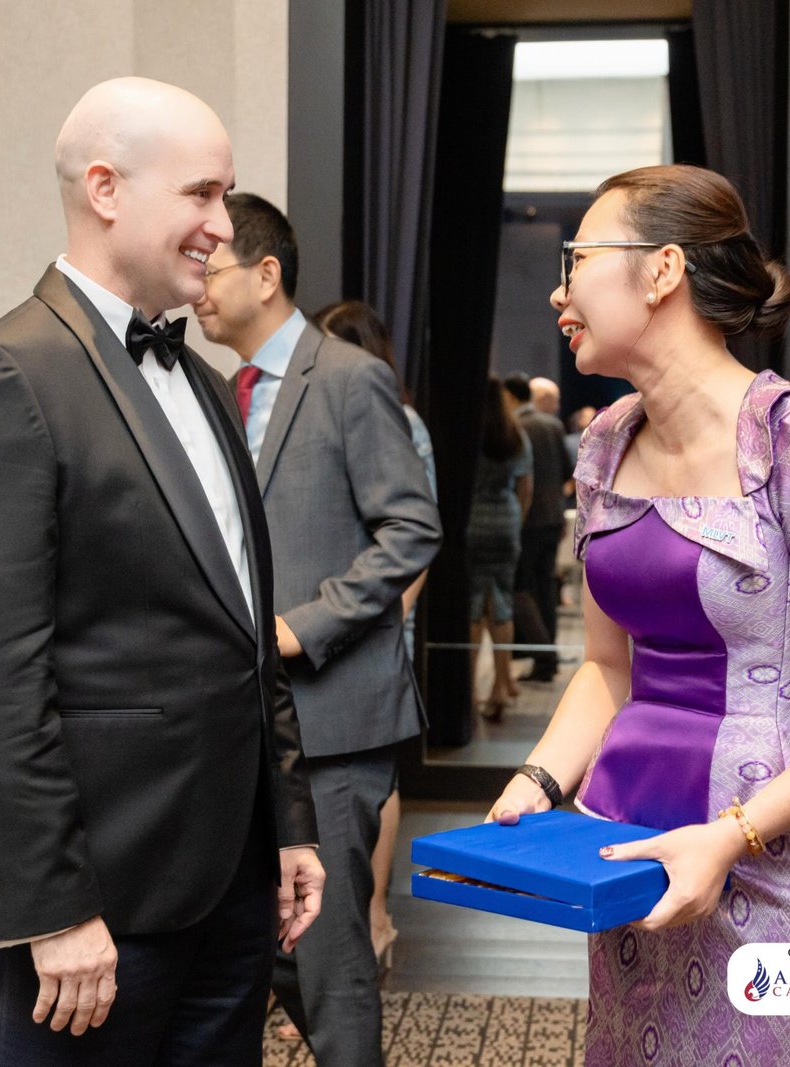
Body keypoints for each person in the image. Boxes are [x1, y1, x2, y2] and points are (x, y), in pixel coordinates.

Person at [0, 79, 323, 1066]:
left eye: (225, 196)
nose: (221, 226)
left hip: (227, 886)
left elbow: (243, 629)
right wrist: (52, 906)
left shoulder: (209, 385)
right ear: (104, 189)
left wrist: (286, 824)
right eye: (201, 194)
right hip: (90, 901)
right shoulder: (0, 375)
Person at [487, 163, 790, 1064]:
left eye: (578, 259)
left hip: (787, 871)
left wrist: (734, 835)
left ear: (662, 270)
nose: (559, 291)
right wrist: (538, 783)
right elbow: (609, 666)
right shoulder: (605, 442)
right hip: (637, 853)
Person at [194, 194, 440, 1067]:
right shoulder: (213, 393)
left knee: (330, 964)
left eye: (210, 268)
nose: (196, 289)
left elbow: (411, 528)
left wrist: (300, 627)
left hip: (332, 720)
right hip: (238, 722)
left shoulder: (346, 377)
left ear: (266, 274)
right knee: (252, 946)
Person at [315, 298, 437, 980]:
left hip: (374, 621)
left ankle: (375, 915)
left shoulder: (400, 419)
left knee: (372, 778)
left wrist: (384, 621)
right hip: (324, 622)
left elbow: (416, 536)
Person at [466, 375, 532, 722]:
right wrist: (516, 522)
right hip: (506, 521)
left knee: (474, 607)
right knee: (502, 603)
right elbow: (525, 486)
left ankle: (468, 692)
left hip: (472, 522)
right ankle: (502, 687)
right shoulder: (515, 433)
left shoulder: (468, 434)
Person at [504, 374, 570, 682]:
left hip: (526, 520)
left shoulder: (514, 426)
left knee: (522, 590)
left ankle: (543, 655)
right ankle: (547, 660)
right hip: (553, 518)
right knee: (545, 590)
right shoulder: (553, 426)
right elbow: (567, 472)